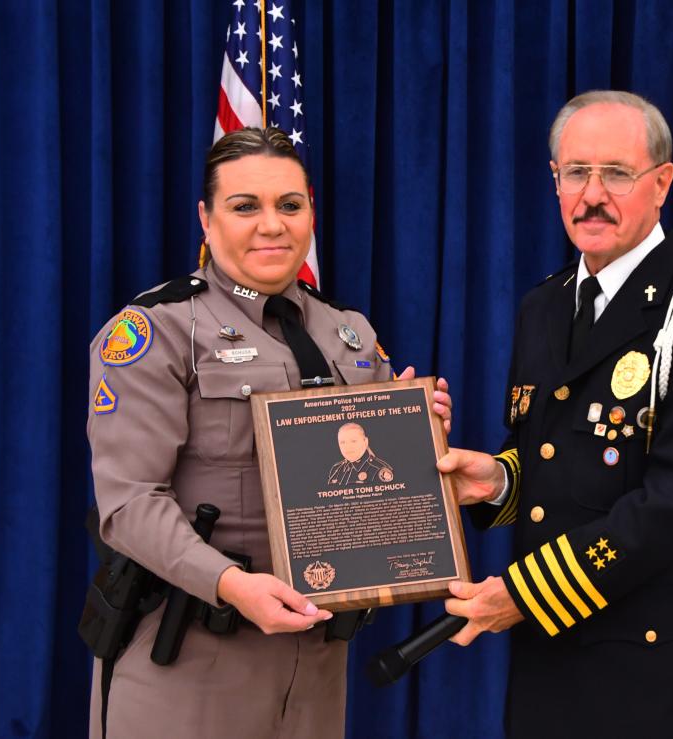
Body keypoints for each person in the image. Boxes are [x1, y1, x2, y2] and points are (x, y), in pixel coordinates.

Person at [86, 127, 451, 739]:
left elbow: (378, 488)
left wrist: (423, 433)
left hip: (318, 663)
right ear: (206, 219)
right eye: (244, 206)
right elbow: (126, 504)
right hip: (190, 655)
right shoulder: (160, 330)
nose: (272, 225)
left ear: (310, 211)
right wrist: (230, 584)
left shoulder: (349, 332)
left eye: (289, 205)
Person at [439, 91, 673, 738]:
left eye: (617, 173)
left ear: (662, 182)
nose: (591, 195)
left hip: (655, 669)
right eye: (574, 172)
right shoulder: (546, 305)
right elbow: (558, 462)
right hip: (549, 661)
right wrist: (498, 481)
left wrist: (526, 593)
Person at [327, 422, 394, 484]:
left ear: (365, 442)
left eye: (353, 441)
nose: (347, 447)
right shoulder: (336, 469)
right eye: (342, 442)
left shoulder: (379, 470)